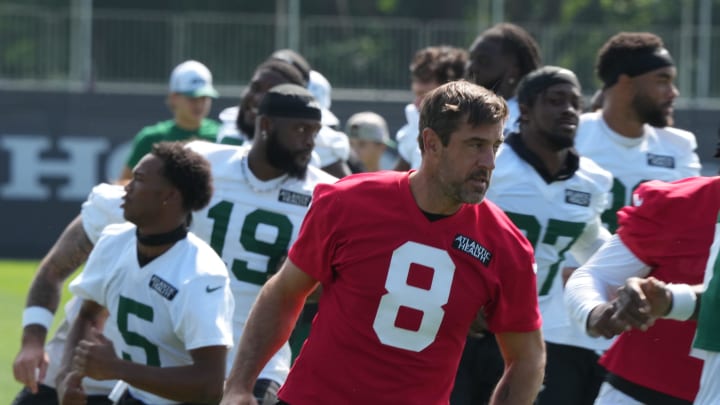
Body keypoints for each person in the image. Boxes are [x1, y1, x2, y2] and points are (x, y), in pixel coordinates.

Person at [220, 80, 545, 405]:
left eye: (495, 146)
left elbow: (527, 357)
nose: (489, 161)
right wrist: (239, 385)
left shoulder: (505, 245)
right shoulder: (348, 202)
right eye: (475, 144)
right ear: (432, 143)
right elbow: (284, 293)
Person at [13, 84, 336, 405]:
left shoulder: (329, 193)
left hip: (258, 361)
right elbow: (105, 228)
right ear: (265, 126)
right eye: (301, 129)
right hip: (176, 352)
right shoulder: (204, 162)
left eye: (315, 131)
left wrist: (309, 281)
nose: (310, 141)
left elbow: (338, 279)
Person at [56, 142, 234, 404]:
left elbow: (210, 387)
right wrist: (65, 377)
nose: (126, 187)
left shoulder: (199, 274)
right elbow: (86, 314)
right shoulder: (114, 241)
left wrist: (117, 368)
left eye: (138, 179)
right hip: (132, 396)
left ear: (170, 196)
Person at [482, 66, 613, 405]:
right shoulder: (491, 165)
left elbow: (591, 243)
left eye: (575, 102)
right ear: (524, 110)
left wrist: (637, 272)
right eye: (556, 101)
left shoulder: (591, 181)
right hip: (476, 322)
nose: (569, 110)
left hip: (537, 332)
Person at [564, 176, 720, 403]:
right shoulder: (686, 202)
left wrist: (670, 301)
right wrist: (594, 310)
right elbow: (597, 274)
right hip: (643, 391)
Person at [574, 31, 701, 233]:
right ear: (626, 84)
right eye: (662, 80)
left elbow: (688, 228)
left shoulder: (679, 146)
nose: (673, 92)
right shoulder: (574, 137)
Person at [119, 60, 220, 181]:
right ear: (174, 98)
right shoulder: (150, 138)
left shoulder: (221, 136)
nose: (199, 105)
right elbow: (125, 183)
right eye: (192, 98)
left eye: (204, 98)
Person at [394, 45, 468, 171]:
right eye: (417, 95)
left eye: (426, 96)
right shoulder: (414, 130)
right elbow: (395, 182)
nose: (417, 104)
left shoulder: (476, 134)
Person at [465, 23, 542, 135]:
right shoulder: (468, 113)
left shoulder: (522, 122)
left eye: (483, 61)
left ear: (513, 71)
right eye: (471, 59)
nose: (472, 67)